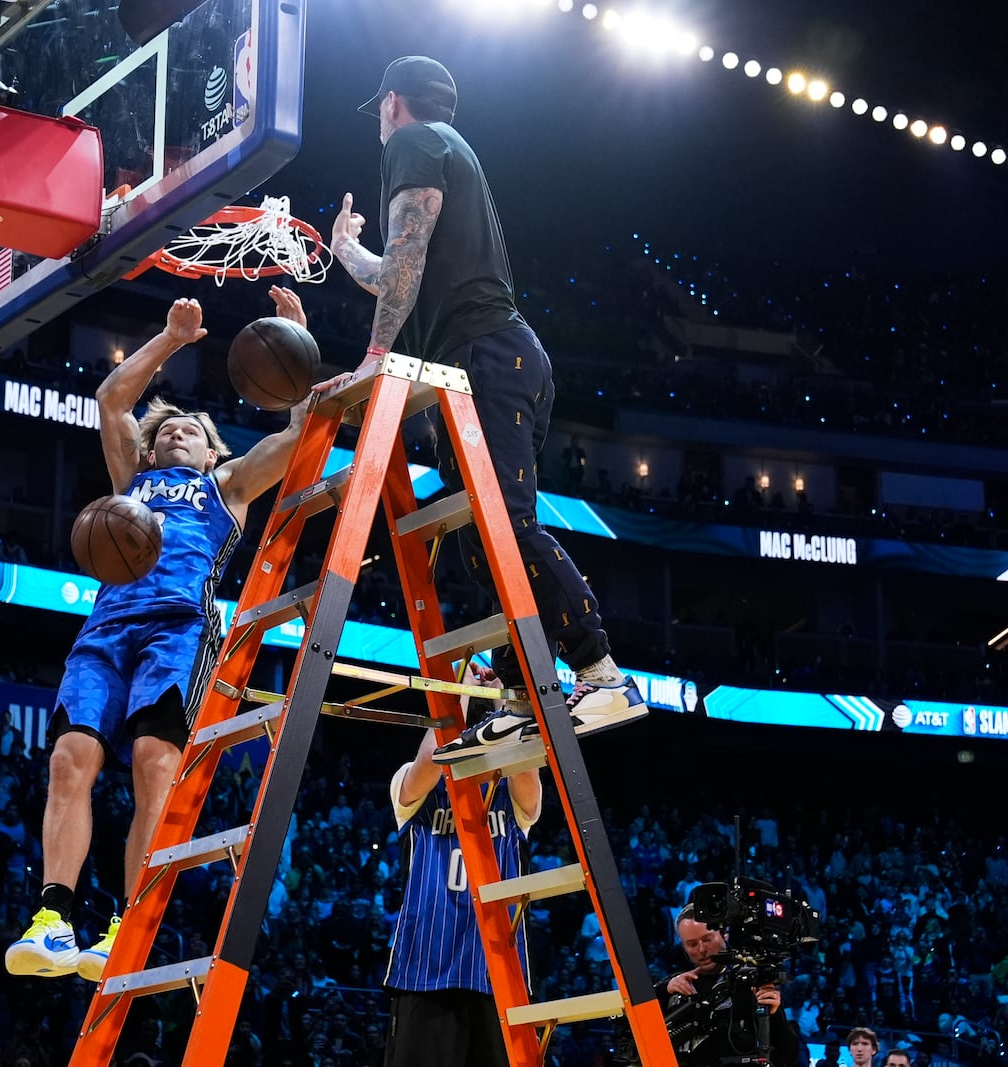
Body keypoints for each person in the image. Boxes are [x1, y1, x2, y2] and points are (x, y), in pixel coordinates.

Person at [321, 56, 644, 759]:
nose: (379, 122)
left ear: (392, 103)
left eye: (379, 110)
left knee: (508, 526)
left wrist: (375, 358)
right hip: (478, 363)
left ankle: (602, 672)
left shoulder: (414, 140)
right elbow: (398, 267)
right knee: (477, 543)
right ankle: (525, 690)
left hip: (490, 356)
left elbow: (404, 259)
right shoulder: (443, 147)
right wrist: (346, 251)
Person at [5, 290, 312, 982]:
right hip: (106, 627)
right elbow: (113, 400)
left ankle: (129, 924)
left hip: (177, 627)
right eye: (167, 429)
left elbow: (297, 439)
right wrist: (172, 339)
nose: (176, 431)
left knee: (152, 761)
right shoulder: (132, 482)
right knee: (68, 759)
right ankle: (54, 918)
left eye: (191, 430)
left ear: (212, 452)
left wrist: (298, 347)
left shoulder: (226, 486)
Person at [383, 664, 540, 1066]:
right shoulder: (415, 785)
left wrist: (509, 705)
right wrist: (459, 693)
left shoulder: (516, 795)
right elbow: (433, 756)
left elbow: (526, 759)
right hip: (424, 969)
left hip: (500, 974)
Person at [654, 909, 801, 1066]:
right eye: (692, 944)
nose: (701, 949)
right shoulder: (673, 985)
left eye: (707, 939)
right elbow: (630, 1029)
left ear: (725, 934)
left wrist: (774, 1015)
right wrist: (663, 991)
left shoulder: (751, 981)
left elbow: (789, 1054)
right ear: (683, 947)